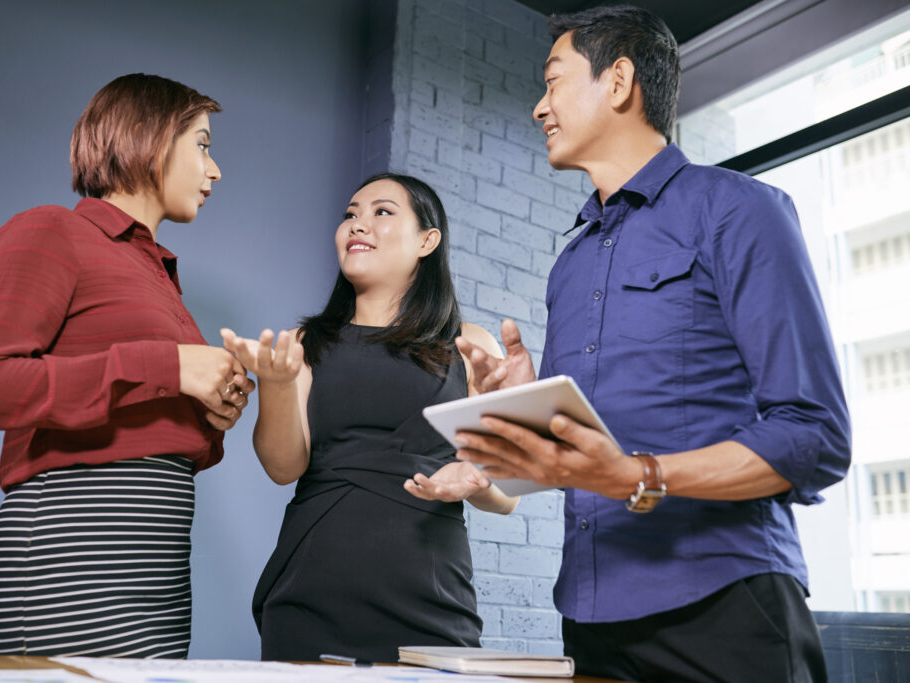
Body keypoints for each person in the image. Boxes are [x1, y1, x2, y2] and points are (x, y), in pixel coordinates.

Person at [453, 6, 851, 682]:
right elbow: (573, 461)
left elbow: (814, 435)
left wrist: (639, 475)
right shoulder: (570, 263)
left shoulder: (739, 210)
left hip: (724, 606)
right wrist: (521, 399)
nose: (538, 107)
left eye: (553, 81)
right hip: (589, 615)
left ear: (618, 82)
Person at [0, 73, 254, 658]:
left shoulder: (159, 274)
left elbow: (147, 426)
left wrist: (211, 413)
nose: (215, 171)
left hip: (157, 589)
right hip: (70, 578)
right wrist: (168, 366)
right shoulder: (53, 231)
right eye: (203, 144)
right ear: (148, 136)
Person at [221, 172, 518, 662]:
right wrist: (274, 384)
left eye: (382, 212)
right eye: (350, 215)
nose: (358, 225)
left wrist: (479, 481)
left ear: (428, 240)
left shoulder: (471, 346)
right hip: (310, 592)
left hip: (432, 595)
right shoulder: (303, 345)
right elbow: (282, 468)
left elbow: (509, 497)